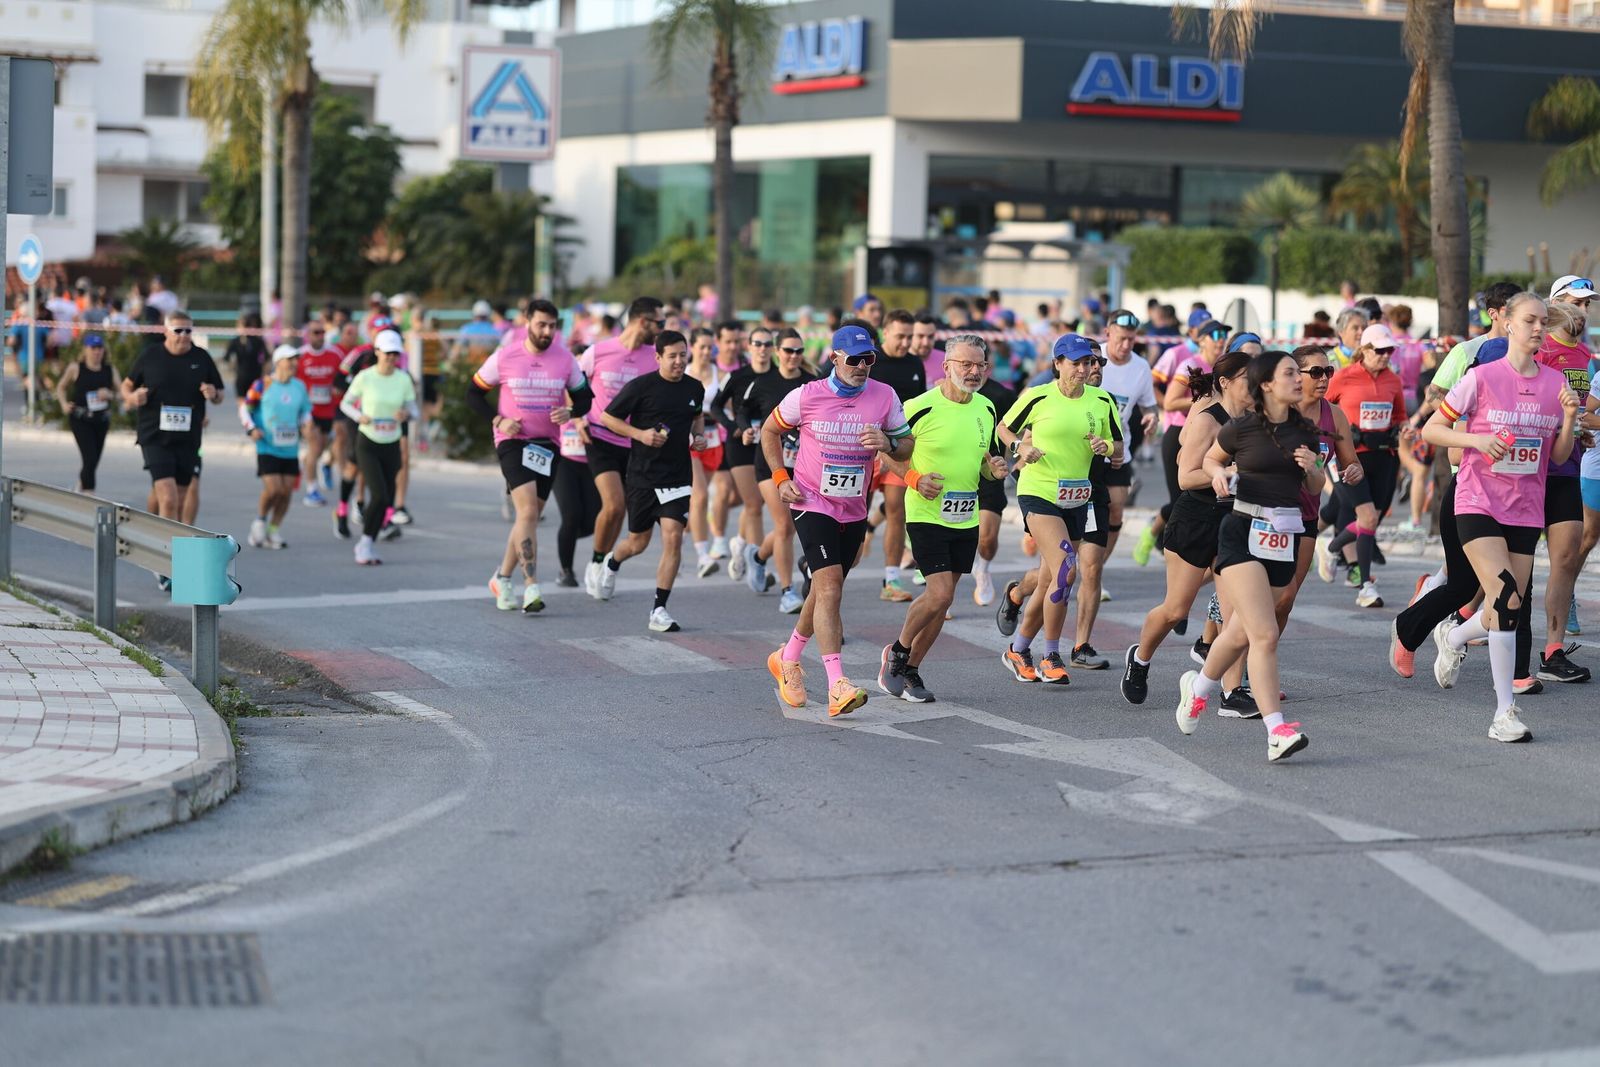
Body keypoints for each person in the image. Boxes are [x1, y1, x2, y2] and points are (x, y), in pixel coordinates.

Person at [1421, 293, 1579, 742]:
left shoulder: (1553, 385)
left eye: (1542, 322)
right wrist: (1476, 441)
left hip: (1526, 508)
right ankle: (1503, 713)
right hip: (1477, 502)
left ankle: (1452, 638)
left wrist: (1568, 419)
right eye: (1529, 320)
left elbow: (1560, 455)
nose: (1536, 328)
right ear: (1507, 323)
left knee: (1501, 609)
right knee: (1507, 595)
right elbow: (1433, 429)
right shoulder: (1482, 377)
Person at [1174, 351, 1328, 762]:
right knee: (1265, 635)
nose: (1301, 379)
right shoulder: (1241, 428)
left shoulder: (1307, 432)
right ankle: (1276, 729)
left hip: (1282, 537)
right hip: (1242, 533)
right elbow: (1209, 459)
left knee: (1240, 632)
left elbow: (1315, 486)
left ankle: (1199, 689)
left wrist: (1313, 467)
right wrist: (1218, 473)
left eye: (1300, 373)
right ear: (1267, 384)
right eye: (1290, 373)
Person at [763, 324, 913, 717]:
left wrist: (889, 444)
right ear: (834, 359)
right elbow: (769, 431)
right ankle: (837, 684)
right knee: (829, 587)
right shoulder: (807, 396)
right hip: (811, 500)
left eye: (869, 359)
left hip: (855, 505)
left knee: (824, 588)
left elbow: (907, 446)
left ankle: (788, 657)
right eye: (854, 359)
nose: (862, 366)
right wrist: (781, 478)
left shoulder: (884, 396)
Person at [1120, 350, 1256, 708]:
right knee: (1176, 610)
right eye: (1248, 378)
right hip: (1196, 519)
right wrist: (1227, 475)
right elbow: (1186, 476)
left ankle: (1230, 693)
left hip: (1235, 523)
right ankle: (1140, 658)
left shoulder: (1256, 419)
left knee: (1236, 614)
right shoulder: (1208, 420)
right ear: (1225, 383)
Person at [879, 334, 1008, 702]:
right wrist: (914, 478)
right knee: (938, 594)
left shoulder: (986, 408)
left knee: (945, 600)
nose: (973, 371)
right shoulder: (919, 406)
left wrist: (994, 471)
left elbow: (984, 464)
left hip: (965, 516)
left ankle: (912, 670)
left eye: (980, 365)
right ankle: (898, 653)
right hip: (925, 513)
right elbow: (888, 452)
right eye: (965, 364)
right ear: (946, 366)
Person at [997, 334, 1119, 686]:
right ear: (1058, 363)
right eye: (1076, 363)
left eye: (1088, 363)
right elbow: (1003, 427)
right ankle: (1051, 654)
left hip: (1077, 496)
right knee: (1067, 568)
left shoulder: (1101, 400)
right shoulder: (1038, 396)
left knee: (1051, 578)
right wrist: (1021, 445)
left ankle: (1018, 649)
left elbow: (1117, 445)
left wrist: (1104, 446)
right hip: (1038, 491)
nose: (1084, 369)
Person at [468, 299, 592, 613]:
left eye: (552, 326)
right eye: (541, 324)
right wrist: (498, 420)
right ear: (527, 322)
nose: (547, 331)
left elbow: (586, 399)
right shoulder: (505, 356)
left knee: (530, 517)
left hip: (548, 446)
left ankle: (502, 577)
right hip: (512, 441)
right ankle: (531, 587)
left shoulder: (564, 360)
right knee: (526, 514)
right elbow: (473, 394)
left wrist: (571, 411)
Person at [596, 330, 707, 633]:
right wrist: (640, 435)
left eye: (683, 355)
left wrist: (698, 435)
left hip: (677, 476)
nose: (678, 361)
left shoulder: (695, 387)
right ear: (658, 357)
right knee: (637, 543)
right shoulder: (641, 387)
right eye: (672, 356)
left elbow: (697, 415)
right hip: (643, 477)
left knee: (673, 536)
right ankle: (611, 563)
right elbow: (608, 417)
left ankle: (659, 608)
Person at [581, 297, 665, 599]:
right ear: (642, 321)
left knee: (623, 516)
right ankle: (595, 562)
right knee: (614, 505)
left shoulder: (653, 356)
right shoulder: (599, 351)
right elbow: (572, 386)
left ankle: (605, 559)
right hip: (600, 437)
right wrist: (576, 419)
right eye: (660, 323)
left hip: (635, 442)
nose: (662, 328)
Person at [1528, 298, 1592, 683]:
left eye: (1587, 304)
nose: (1582, 310)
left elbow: (1581, 404)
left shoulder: (1584, 352)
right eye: (1576, 302)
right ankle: (1462, 616)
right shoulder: (1540, 349)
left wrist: (1578, 426)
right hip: (1529, 468)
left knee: (1566, 556)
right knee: (1504, 568)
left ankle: (1553, 650)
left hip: (1567, 463)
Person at [1321, 322, 1407, 607]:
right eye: (1380, 350)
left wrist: (1404, 428)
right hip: (1350, 457)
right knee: (1367, 518)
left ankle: (1331, 547)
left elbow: (1399, 416)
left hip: (1384, 456)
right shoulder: (1343, 377)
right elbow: (1319, 408)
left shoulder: (1393, 380)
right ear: (1365, 350)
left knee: (1371, 519)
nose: (1385, 356)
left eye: (1389, 350)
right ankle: (1364, 586)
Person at [121, 312, 224, 536]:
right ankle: (167, 556)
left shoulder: (201, 358)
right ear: (166, 331)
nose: (184, 336)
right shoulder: (151, 355)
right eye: (178, 330)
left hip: (188, 438)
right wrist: (132, 397)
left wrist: (213, 393)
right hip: (155, 436)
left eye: (188, 330)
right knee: (168, 498)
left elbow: (220, 394)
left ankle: (156, 538)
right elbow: (126, 385)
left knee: (179, 501)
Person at [1134, 314, 1225, 566]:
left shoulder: (1223, 368)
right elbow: (1172, 401)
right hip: (1179, 431)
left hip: (1211, 434)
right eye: (1216, 335)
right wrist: (1208, 400)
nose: (1221, 341)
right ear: (1201, 339)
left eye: (1224, 335)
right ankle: (1154, 535)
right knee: (1181, 497)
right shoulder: (1188, 363)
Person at [740, 327, 818, 612]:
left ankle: (758, 557)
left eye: (799, 351)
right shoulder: (763, 383)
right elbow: (741, 409)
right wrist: (745, 429)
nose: (794, 356)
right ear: (777, 352)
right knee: (784, 525)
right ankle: (788, 591)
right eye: (788, 351)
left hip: (804, 466)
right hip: (770, 464)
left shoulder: (812, 384)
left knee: (791, 527)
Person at [339, 329, 418, 565]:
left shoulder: (403, 379)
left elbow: (414, 410)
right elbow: (345, 403)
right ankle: (364, 542)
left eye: (395, 354)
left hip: (391, 443)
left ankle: (368, 543)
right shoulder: (366, 377)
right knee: (379, 493)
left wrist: (406, 413)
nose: (391, 358)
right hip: (368, 442)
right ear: (377, 352)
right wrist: (358, 415)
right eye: (387, 353)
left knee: (387, 499)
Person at [871, 309, 930, 601]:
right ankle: (821, 572)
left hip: (898, 449)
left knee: (897, 511)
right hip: (863, 450)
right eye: (901, 336)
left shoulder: (914, 363)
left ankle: (891, 580)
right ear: (885, 333)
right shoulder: (869, 361)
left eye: (911, 336)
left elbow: (918, 411)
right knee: (852, 521)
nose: (907, 342)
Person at [710, 322, 772, 586]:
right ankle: (759, 566)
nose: (762, 349)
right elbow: (715, 406)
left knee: (761, 503)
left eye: (768, 344)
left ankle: (741, 546)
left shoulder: (780, 376)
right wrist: (735, 428)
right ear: (749, 346)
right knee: (754, 505)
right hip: (742, 445)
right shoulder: (737, 376)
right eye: (757, 344)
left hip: (770, 444)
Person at [1098, 309, 1159, 566]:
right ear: (1107, 333)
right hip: (1084, 449)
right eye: (1120, 338)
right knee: (1079, 512)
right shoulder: (1092, 357)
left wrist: (1152, 417)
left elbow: (1149, 404)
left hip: (1119, 450)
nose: (1125, 345)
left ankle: (1095, 571)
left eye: (1131, 340)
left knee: (1116, 510)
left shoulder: (1141, 366)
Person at [242, 345, 313, 549]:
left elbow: (305, 410)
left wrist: (307, 423)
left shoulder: (299, 386)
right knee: (274, 489)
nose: (294, 364)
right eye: (289, 359)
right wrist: (251, 429)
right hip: (267, 445)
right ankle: (260, 521)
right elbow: (245, 409)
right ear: (278, 362)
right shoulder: (262, 384)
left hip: (290, 446)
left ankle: (274, 530)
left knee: (286, 492)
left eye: (295, 360)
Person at [685, 326, 729, 576]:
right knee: (700, 497)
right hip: (690, 441)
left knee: (695, 504)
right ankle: (703, 556)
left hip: (714, 441)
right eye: (701, 346)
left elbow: (731, 407)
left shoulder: (720, 375)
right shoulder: (685, 373)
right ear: (692, 347)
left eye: (709, 347)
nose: (705, 351)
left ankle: (676, 546)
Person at [55, 332, 120, 493]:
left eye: (99, 348)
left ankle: (81, 485)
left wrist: (110, 395)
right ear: (85, 349)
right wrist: (63, 404)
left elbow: (122, 393)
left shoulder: (110, 370)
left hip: (101, 420)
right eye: (93, 348)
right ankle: (89, 495)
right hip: (81, 418)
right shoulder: (76, 368)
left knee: (94, 460)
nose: (97, 352)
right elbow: (61, 387)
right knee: (89, 458)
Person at [296, 318, 342, 507]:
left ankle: (306, 467)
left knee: (320, 448)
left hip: (328, 410)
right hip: (308, 412)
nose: (320, 336)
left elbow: (342, 377)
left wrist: (338, 390)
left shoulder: (334, 354)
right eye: (316, 332)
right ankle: (312, 490)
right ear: (308, 335)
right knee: (315, 447)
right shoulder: (300, 356)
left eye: (322, 332)